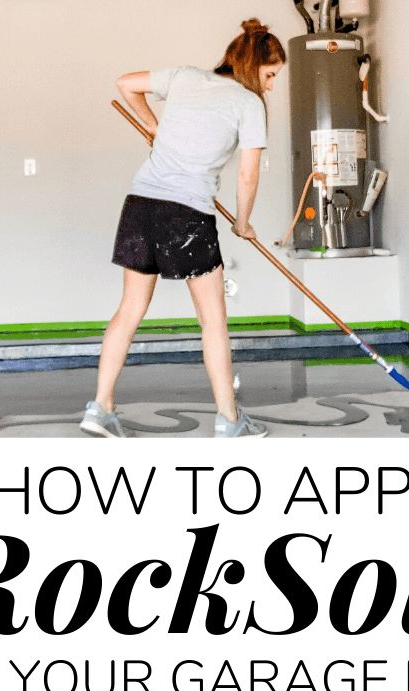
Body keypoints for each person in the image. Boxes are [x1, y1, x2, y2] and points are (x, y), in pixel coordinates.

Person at [80, 18, 286, 440]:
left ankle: (100, 409)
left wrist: (153, 123)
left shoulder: (185, 77)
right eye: (269, 76)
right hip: (187, 215)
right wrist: (243, 223)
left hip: (141, 206)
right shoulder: (248, 105)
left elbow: (125, 82)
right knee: (213, 321)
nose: (270, 87)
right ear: (251, 66)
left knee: (130, 310)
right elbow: (248, 175)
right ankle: (230, 420)